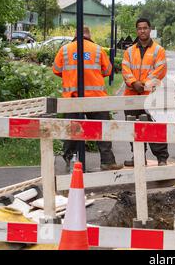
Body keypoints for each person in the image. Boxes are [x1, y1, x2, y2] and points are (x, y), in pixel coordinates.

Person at [52, 26, 122, 171]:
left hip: (73, 98)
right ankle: (107, 162)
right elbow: (108, 70)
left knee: (72, 131)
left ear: (75, 35)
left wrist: (70, 75)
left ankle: (70, 160)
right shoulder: (97, 49)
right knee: (101, 130)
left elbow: (56, 70)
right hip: (96, 98)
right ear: (89, 36)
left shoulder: (65, 49)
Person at [122, 18, 169, 167]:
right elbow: (125, 70)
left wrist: (143, 84)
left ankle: (162, 158)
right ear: (137, 31)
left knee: (155, 128)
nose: (142, 31)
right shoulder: (129, 51)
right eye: (139, 28)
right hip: (132, 96)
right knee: (134, 129)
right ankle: (138, 157)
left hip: (151, 97)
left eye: (145, 28)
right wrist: (133, 83)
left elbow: (160, 70)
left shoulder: (158, 50)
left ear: (150, 30)